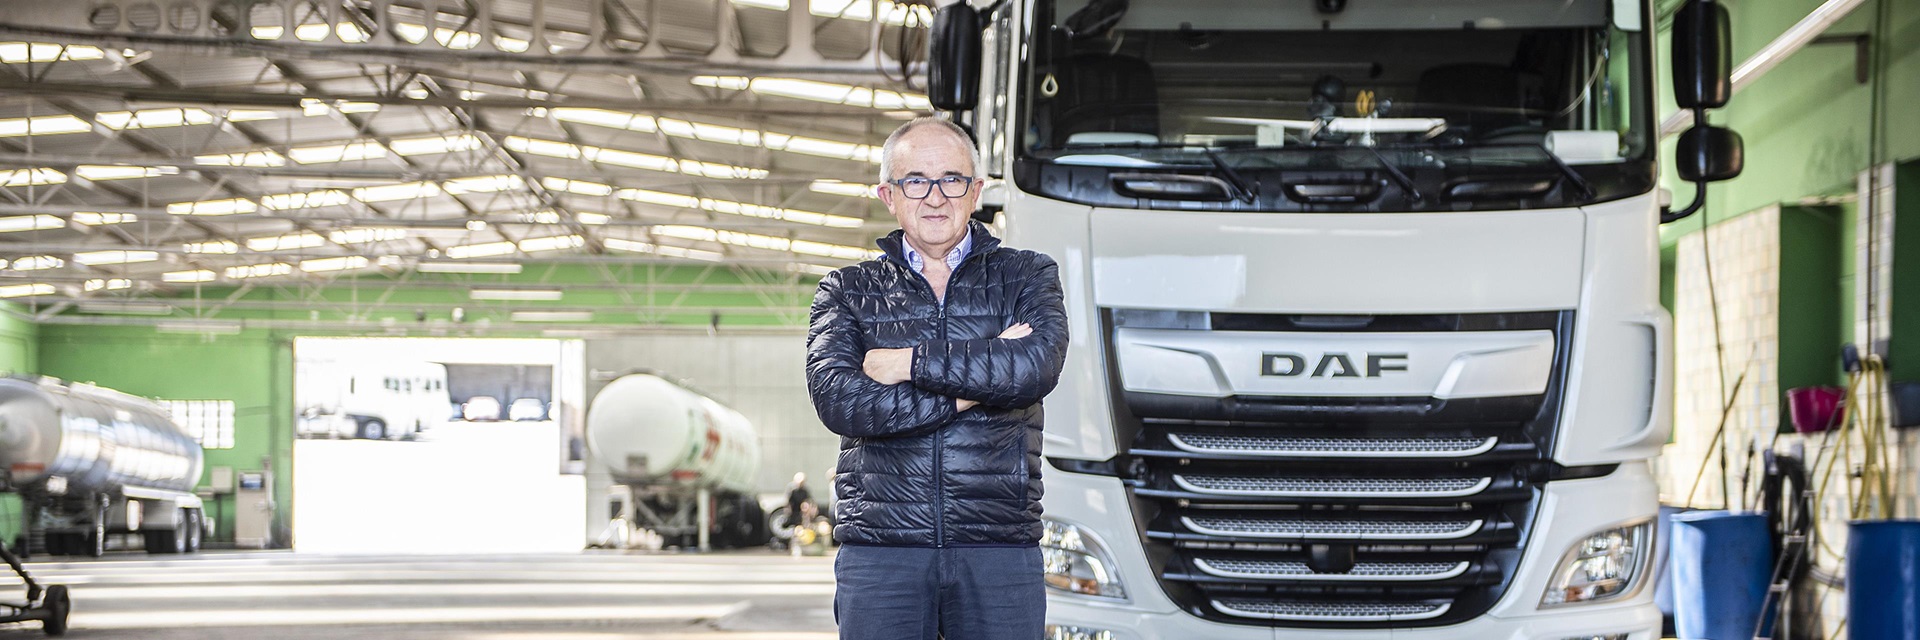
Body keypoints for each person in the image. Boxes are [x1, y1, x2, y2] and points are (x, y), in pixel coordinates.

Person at [805, 118, 1068, 640]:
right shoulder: (846, 290)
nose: (934, 196)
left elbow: (1035, 367)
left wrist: (907, 364)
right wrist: (979, 384)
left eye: (951, 179)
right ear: (888, 195)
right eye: (915, 181)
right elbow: (842, 402)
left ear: (976, 191)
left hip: (998, 546)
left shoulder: (1027, 275)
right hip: (881, 551)